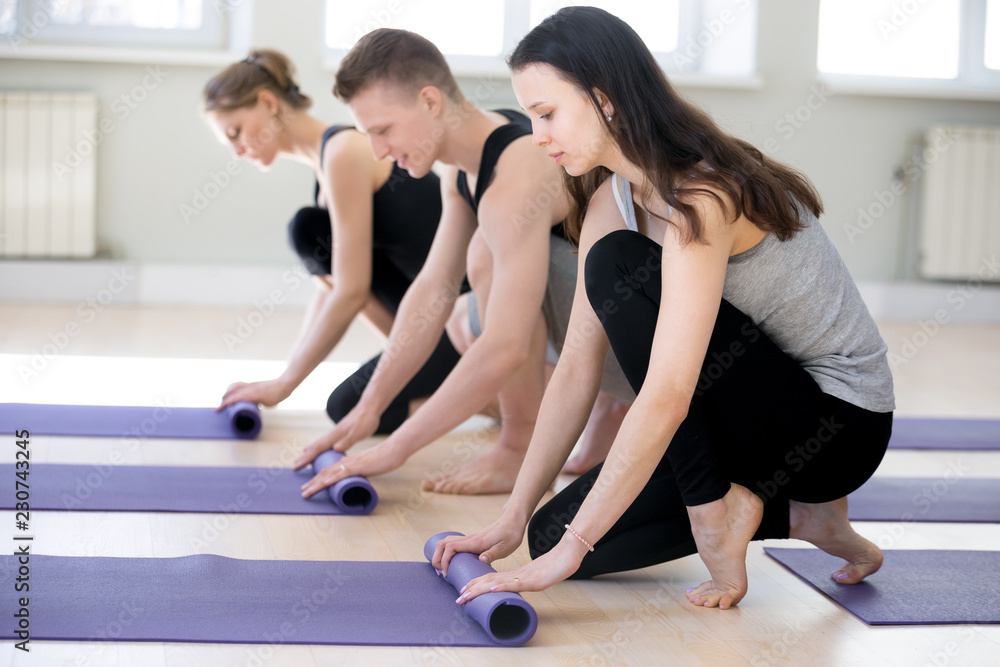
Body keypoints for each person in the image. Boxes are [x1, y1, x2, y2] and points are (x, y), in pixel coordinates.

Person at [432, 6, 895, 611]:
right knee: (553, 535)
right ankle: (797, 516)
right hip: (753, 426)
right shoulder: (610, 201)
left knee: (618, 266)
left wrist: (576, 546)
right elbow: (575, 366)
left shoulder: (702, 195)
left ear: (605, 100)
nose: (537, 134)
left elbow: (671, 390)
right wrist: (514, 519)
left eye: (547, 114)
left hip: (837, 426)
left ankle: (719, 510)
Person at [293, 29, 635, 497]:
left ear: (430, 102)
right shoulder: (462, 169)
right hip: (603, 336)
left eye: (382, 130)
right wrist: (371, 407)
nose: (377, 152)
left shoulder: (514, 175)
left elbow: (507, 346)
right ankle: (599, 410)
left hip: (648, 359)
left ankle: (520, 446)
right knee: (459, 300)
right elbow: (432, 289)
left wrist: (397, 447)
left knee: (483, 259)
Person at [203, 49, 469, 433]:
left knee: (347, 405)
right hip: (428, 311)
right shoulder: (326, 168)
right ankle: (446, 379)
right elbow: (333, 291)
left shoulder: (345, 152)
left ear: (267, 102)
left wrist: (286, 384)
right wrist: (285, 375)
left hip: (468, 314)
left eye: (236, 132)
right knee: (311, 231)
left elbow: (350, 291)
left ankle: (484, 395)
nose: (237, 150)